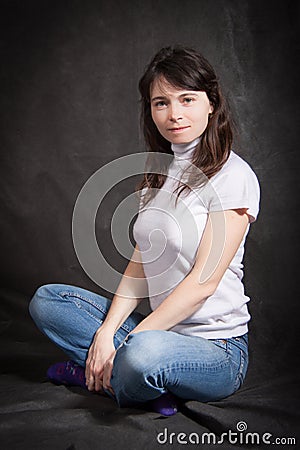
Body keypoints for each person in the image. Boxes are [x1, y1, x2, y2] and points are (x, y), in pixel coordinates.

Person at [29, 46, 260, 416]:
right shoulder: (158, 174)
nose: (174, 114)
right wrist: (108, 331)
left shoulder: (233, 177)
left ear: (212, 103)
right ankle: (135, 381)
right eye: (161, 103)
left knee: (140, 354)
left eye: (187, 99)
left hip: (217, 349)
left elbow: (203, 283)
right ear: (150, 110)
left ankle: (107, 374)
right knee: (48, 301)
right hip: (158, 331)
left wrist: (133, 339)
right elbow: (141, 264)